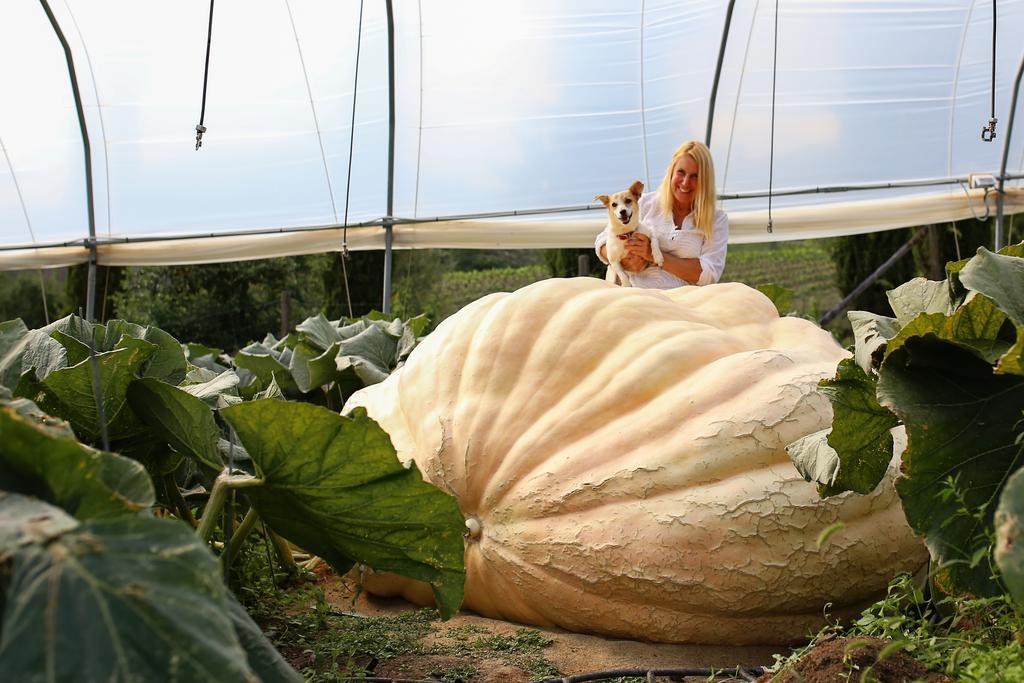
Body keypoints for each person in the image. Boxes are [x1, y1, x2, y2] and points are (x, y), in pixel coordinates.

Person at [595, 140, 729, 288]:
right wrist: (624, 260)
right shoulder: (645, 203)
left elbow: (709, 275)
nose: (685, 182)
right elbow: (601, 241)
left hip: (684, 302)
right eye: (681, 172)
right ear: (671, 172)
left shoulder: (716, 219)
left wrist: (653, 254)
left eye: (695, 176)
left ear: (705, 181)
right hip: (634, 295)